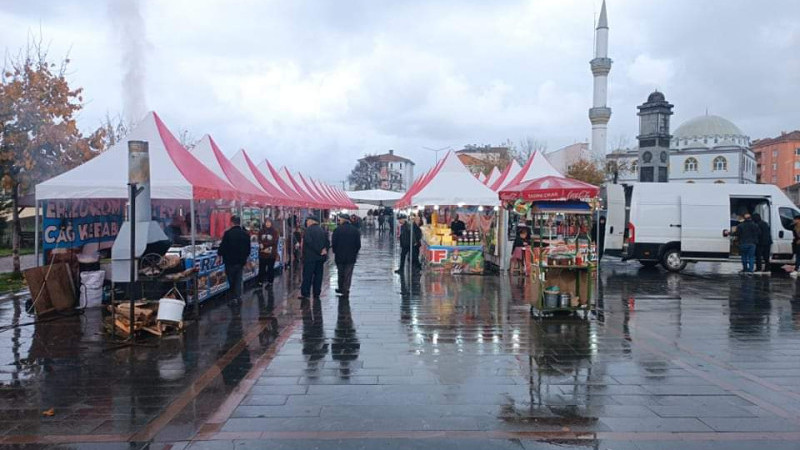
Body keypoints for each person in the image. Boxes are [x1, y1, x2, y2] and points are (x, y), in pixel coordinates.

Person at [218, 215, 251, 301]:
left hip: (229, 261)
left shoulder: (228, 234)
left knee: (231, 279)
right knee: (238, 279)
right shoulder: (245, 234)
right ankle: (238, 296)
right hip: (240, 261)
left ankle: (233, 297)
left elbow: (223, 246)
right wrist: (246, 259)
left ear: (231, 223)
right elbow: (248, 248)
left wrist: (219, 256)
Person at [332, 213, 361, 297]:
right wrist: (355, 252)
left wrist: (335, 251)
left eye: (340, 219)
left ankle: (340, 288)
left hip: (339, 255)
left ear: (343, 220)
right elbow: (358, 245)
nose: (339, 220)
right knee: (348, 273)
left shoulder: (337, 230)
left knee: (340, 272)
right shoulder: (355, 230)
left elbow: (334, 243)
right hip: (351, 256)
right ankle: (346, 289)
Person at [300, 216, 329, 300]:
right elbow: (327, 242)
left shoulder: (308, 231)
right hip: (320, 258)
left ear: (312, 221)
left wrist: (319, 250)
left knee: (308, 275)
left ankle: (306, 293)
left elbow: (309, 242)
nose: (307, 222)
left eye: (308, 221)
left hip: (310, 258)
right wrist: (324, 250)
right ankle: (316, 292)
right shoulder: (322, 230)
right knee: (318, 275)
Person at [258, 218, 280, 287]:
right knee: (262, 268)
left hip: (271, 254)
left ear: (271, 223)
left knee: (270, 268)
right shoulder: (261, 231)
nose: (267, 223)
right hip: (262, 253)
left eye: (269, 222)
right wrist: (261, 244)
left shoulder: (275, 231)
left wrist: (266, 245)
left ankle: (270, 282)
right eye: (266, 222)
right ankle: (260, 281)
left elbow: (274, 242)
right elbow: (259, 239)